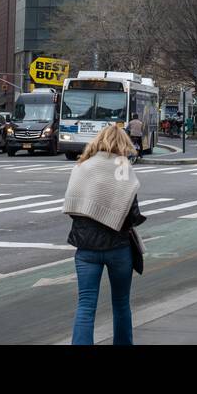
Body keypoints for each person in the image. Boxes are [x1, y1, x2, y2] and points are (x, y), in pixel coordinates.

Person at [63, 123, 146, 345]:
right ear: (123, 143)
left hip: (86, 249)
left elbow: (74, 209)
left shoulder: (83, 165)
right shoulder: (123, 166)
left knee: (86, 305)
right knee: (121, 304)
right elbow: (132, 214)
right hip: (118, 247)